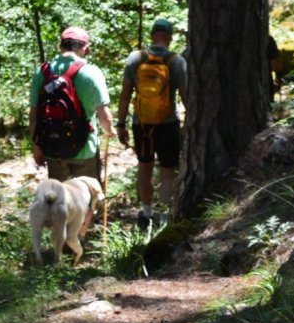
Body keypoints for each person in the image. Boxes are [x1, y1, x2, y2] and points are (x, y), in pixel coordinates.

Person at [29, 26, 116, 233]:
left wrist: (37, 147)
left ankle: (61, 240)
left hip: (52, 147)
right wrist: (110, 131)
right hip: (84, 148)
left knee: (61, 197)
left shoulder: (42, 72)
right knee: (86, 196)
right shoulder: (90, 72)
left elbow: (34, 116)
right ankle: (79, 239)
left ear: (61, 46)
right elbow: (104, 116)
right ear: (86, 48)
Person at [116, 18, 188, 218]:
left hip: (142, 125)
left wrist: (121, 124)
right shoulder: (176, 61)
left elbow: (125, 96)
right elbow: (185, 95)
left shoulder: (134, 58)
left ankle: (147, 213)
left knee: (144, 168)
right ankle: (165, 214)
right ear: (170, 37)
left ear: (152, 35)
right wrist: (190, 124)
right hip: (168, 124)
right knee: (167, 171)